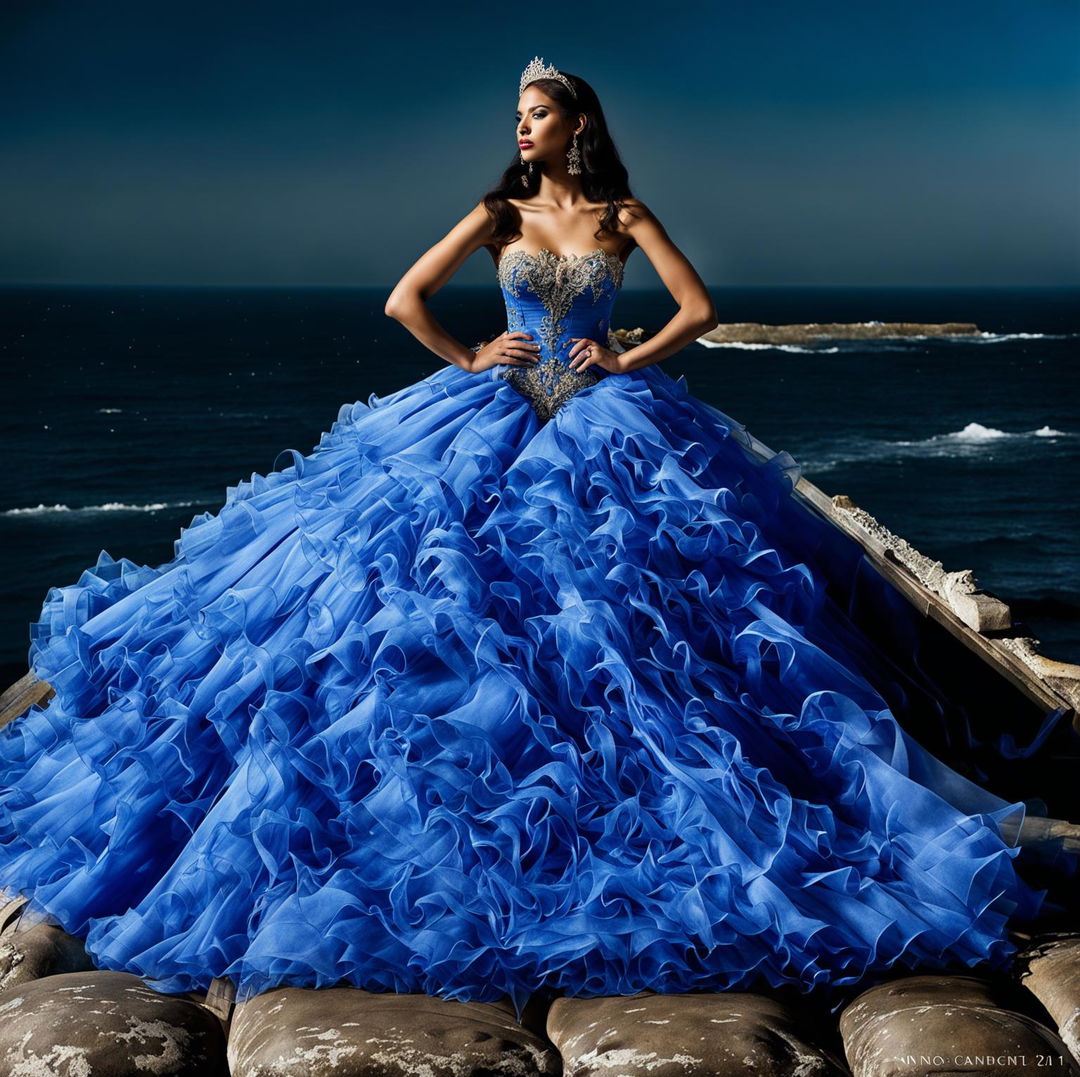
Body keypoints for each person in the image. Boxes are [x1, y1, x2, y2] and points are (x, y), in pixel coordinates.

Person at [0, 56, 1046, 1023]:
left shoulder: (623, 211)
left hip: (597, 413)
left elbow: (700, 307)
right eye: (518, 117)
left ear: (576, 122)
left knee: (625, 618)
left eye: (537, 114)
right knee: (437, 598)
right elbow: (402, 299)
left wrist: (625, 366)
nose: (523, 129)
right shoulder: (497, 211)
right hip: (491, 409)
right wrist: (469, 359)